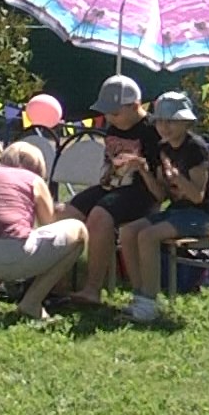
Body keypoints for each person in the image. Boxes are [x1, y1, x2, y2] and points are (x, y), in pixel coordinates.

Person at [0, 142, 87, 321]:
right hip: (9, 253)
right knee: (79, 232)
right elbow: (48, 223)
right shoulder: (33, 180)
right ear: (37, 167)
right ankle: (32, 302)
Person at [119, 92, 209, 324]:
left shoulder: (195, 148)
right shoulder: (164, 148)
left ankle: (149, 303)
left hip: (201, 216)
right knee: (127, 232)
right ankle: (140, 295)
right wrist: (143, 170)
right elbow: (161, 195)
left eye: (171, 121)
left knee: (147, 236)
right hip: (177, 212)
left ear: (186, 122)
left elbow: (197, 196)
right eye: (160, 121)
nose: (164, 127)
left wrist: (178, 178)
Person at [64, 74, 163, 305]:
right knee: (67, 212)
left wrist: (142, 168)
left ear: (135, 106)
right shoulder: (112, 127)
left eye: (115, 113)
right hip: (111, 186)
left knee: (100, 216)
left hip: (141, 192)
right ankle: (59, 279)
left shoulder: (152, 131)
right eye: (106, 113)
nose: (110, 118)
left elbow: (160, 186)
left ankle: (92, 288)